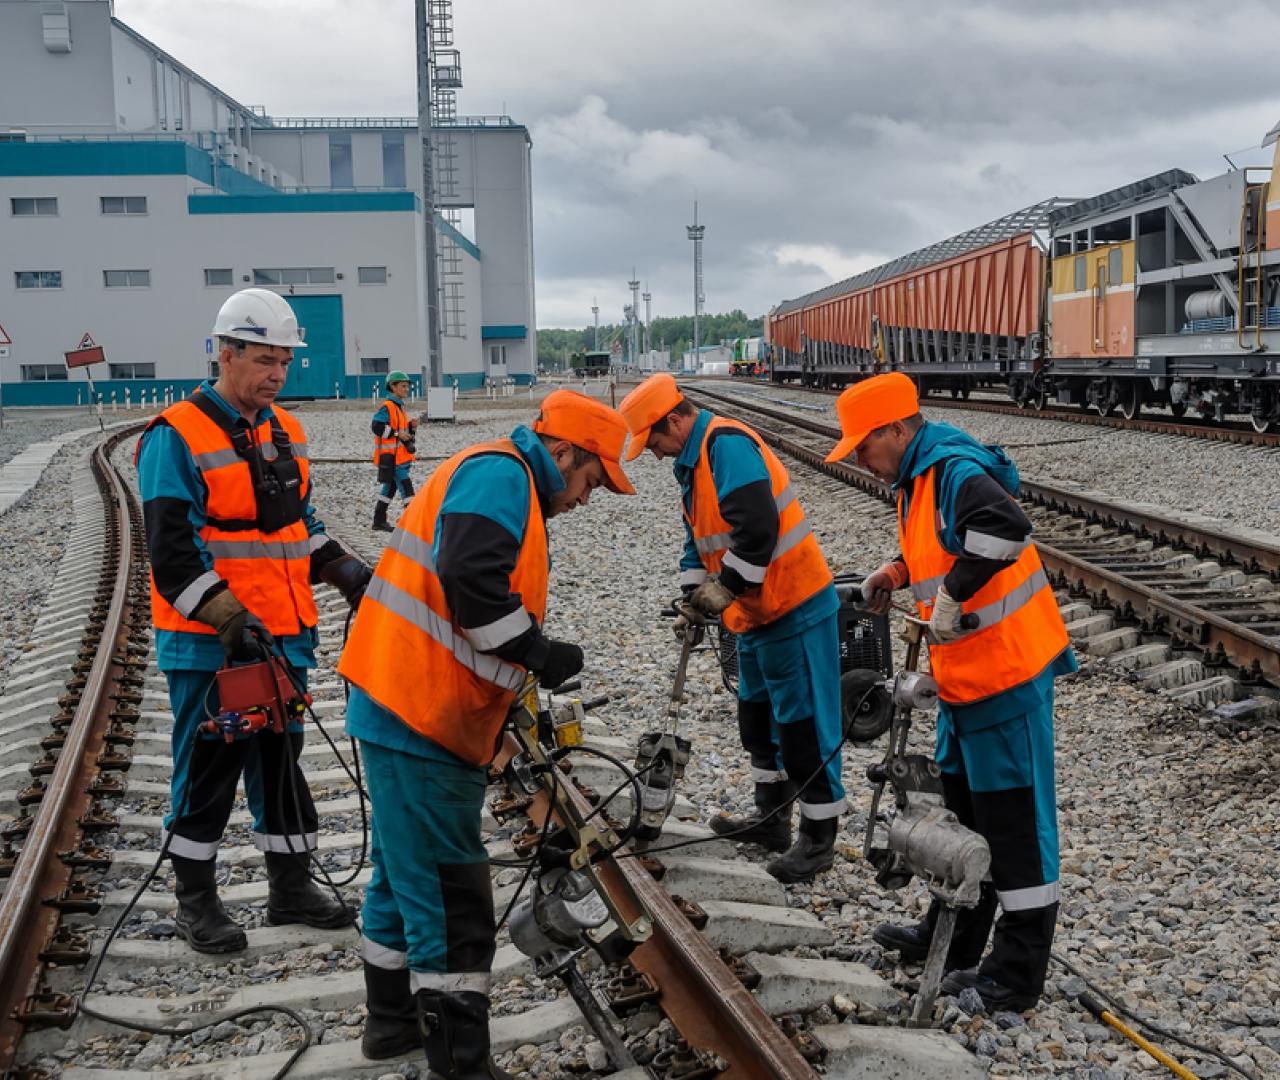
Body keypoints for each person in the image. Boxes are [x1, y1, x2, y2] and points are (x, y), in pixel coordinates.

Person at [338, 390, 636, 1079]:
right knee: (452, 897)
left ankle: (390, 1024)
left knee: (399, 880)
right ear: (564, 452)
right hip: (420, 716)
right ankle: (461, 1065)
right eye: (592, 479)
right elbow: (470, 581)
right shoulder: (501, 474)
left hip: (405, 705)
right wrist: (539, 650)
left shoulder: (503, 479)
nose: (589, 498)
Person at [827, 372, 1074, 1013]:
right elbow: (947, 547)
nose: (859, 457)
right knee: (964, 812)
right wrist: (898, 570)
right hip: (964, 679)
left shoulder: (954, 468)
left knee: (1015, 825)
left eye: (862, 444)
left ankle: (1017, 976)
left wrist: (957, 593)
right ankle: (957, 938)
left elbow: (1005, 525)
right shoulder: (918, 478)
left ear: (896, 429)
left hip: (1005, 675)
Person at [135, 287, 371, 954]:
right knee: (209, 766)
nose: (276, 374)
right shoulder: (174, 437)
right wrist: (231, 619)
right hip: (213, 644)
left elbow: (299, 526)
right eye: (264, 360)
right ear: (224, 353)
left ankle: (290, 888)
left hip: (284, 636)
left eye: (284, 363)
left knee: (278, 762)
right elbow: (172, 556)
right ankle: (196, 902)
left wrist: (346, 570)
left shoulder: (286, 431)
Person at [618, 373, 848, 884]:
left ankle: (818, 836)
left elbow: (759, 532)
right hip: (755, 614)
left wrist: (719, 595)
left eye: (653, 440)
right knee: (759, 720)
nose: (653, 453)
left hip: (794, 605)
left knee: (803, 726)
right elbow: (700, 540)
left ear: (675, 420)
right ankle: (771, 819)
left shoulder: (726, 445)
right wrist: (690, 597)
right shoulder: (691, 462)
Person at [371, 371, 418, 532]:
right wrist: (398, 433)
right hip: (393, 458)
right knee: (407, 489)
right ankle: (412, 524)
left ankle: (378, 521)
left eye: (407, 386)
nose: (407, 389)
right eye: (403, 386)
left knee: (389, 488)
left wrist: (411, 428)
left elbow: (403, 434)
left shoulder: (399, 407)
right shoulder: (388, 406)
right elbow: (376, 427)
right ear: (393, 386)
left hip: (399, 458)